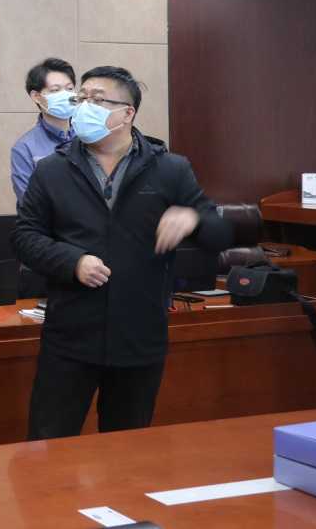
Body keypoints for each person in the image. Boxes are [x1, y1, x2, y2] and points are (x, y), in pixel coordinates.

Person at [13, 66, 231, 440]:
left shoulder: (169, 169)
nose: (84, 106)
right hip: (70, 337)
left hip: (139, 337)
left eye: (97, 100)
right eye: (81, 98)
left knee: (127, 451)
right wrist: (72, 261)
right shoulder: (53, 170)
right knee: (48, 447)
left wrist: (193, 217)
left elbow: (219, 233)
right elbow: (24, 236)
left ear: (127, 113)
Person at [10, 58, 76, 204]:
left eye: (70, 89)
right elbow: (29, 203)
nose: (65, 95)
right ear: (36, 97)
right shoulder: (25, 148)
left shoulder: (89, 138)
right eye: (55, 90)